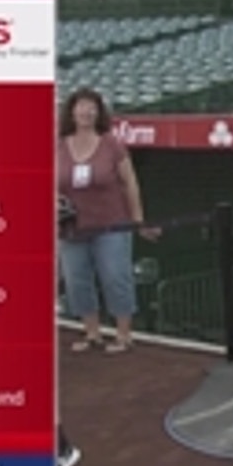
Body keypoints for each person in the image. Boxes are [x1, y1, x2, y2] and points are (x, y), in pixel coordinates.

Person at [57, 88, 158, 354]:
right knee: (76, 279)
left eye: (92, 107)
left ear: (99, 112)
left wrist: (138, 219)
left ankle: (124, 334)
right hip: (71, 227)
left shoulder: (111, 144)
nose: (86, 112)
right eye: (81, 106)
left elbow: (130, 182)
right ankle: (92, 333)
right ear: (72, 111)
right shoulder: (57, 144)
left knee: (115, 276)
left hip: (111, 224)